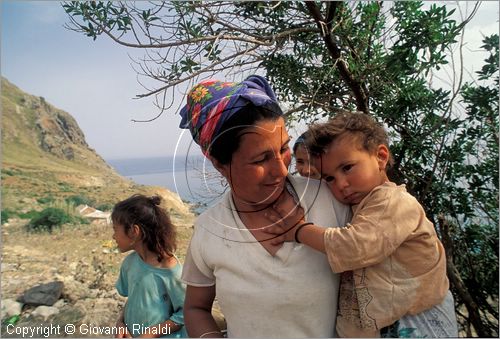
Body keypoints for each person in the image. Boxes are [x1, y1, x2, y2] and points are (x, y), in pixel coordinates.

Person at [178, 75, 351, 338]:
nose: (281, 170)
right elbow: (195, 308)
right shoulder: (210, 230)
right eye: (261, 159)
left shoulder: (331, 199)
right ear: (219, 163)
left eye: (283, 148)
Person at [265, 111, 458, 337]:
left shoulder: (394, 202)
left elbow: (355, 246)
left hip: (417, 320)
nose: (341, 184)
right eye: (329, 178)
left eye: (347, 167)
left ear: (381, 156)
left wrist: (298, 230)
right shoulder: (360, 206)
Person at [111, 194, 187, 338]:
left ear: (134, 231)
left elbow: (185, 313)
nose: (113, 236)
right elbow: (133, 298)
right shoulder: (130, 263)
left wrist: (150, 334)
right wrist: (121, 322)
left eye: (115, 229)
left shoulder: (170, 270)